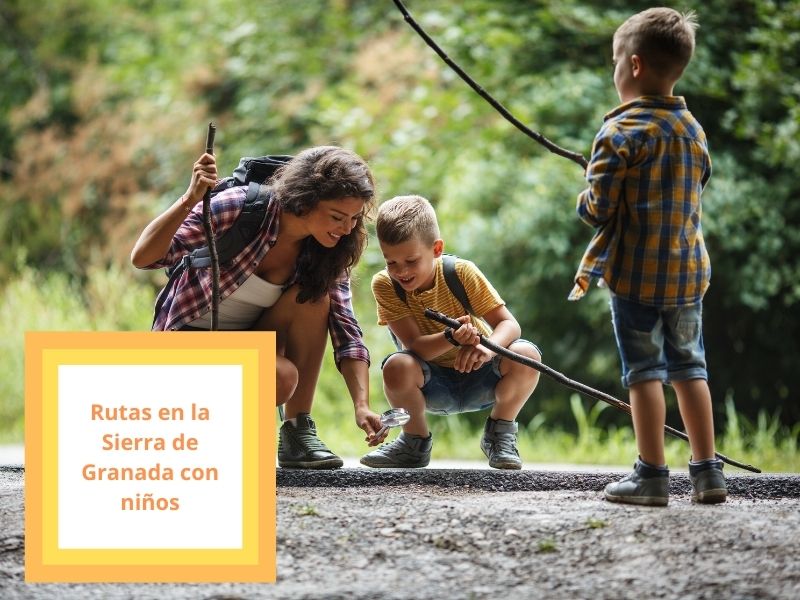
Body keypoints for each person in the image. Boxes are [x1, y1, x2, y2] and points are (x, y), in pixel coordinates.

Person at [131, 145, 388, 469]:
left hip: (244, 349)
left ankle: (297, 432)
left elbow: (345, 329)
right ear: (305, 200)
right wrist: (189, 199)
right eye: (337, 216)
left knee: (310, 307)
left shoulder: (328, 249)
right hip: (186, 345)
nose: (347, 228)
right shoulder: (240, 208)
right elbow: (143, 257)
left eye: (354, 218)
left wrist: (362, 405)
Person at [569, 8, 726, 505]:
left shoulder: (618, 133)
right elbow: (697, 183)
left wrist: (584, 194)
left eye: (615, 60)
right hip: (685, 274)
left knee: (645, 372)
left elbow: (597, 209)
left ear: (633, 66)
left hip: (636, 277)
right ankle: (708, 473)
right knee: (690, 368)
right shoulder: (692, 129)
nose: (614, 70)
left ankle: (652, 475)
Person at [361, 195, 541, 470]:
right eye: (391, 262)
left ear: (436, 249)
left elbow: (510, 325)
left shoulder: (460, 273)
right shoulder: (385, 285)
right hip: (432, 382)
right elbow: (414, 346)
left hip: (482, 375)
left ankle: (500, 434)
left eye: (411, 260)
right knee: (397, 365)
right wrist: (451, 338)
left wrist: (486, 347)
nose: (401, 272)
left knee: (526, 353)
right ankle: (414, 442)